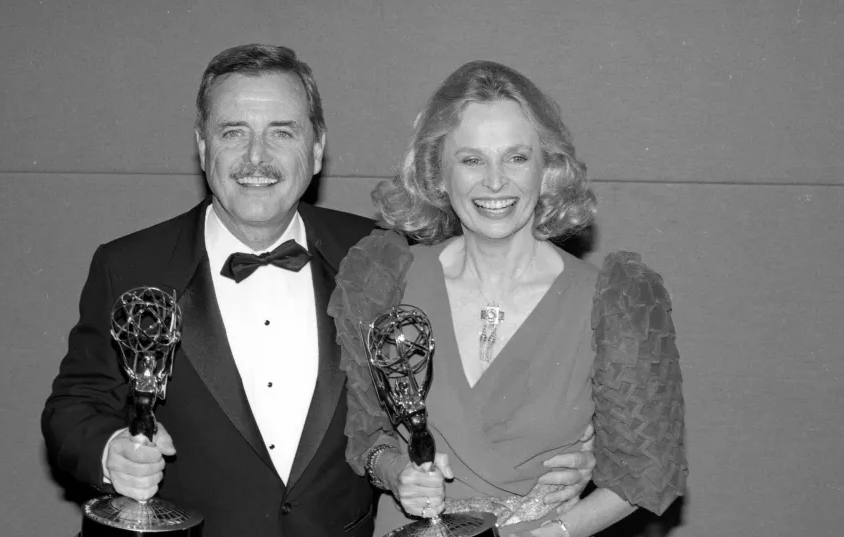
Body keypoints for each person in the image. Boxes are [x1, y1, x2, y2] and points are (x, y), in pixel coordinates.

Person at [41, 45, 595, 537]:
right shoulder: (130, 265)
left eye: (282, 132)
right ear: (201, 145)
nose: (257, 158)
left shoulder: (378, 257)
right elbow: (73, 406)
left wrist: (581, 445)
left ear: (318, 147)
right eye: (234, 132)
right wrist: (110, 452)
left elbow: (454, 382)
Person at [329, 60, 687, 537]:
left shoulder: (611, 301)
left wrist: (550, 533)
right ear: (438, 171)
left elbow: (645, 475)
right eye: (472, 159)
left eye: (516, 157)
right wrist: (397, 474)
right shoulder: (386, 279)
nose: (495, 182)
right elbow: (366, 437)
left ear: (548, 169)